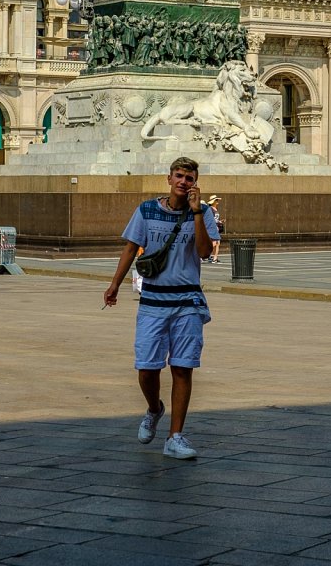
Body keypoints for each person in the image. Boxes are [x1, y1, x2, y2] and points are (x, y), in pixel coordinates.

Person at [103, 157, 219, 459]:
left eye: (189, 178)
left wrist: (195, 212)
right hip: (153, 301)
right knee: (146, 367)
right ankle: (154, 408)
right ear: (169, 179)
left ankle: (175, 436)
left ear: (196, 183)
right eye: (179, 176)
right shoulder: (146, 210)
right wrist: (114, 284)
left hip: (188, 301)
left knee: (183, 367)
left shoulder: (203, 213)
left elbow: (205, 252)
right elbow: (130, 247)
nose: (183, 182)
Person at [204, 195, 224, 264]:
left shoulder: (214, 209)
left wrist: (219, 222)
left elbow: (215, 219)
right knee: (215, 243)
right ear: (213, 201)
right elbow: (210, 219)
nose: (217, 201)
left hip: (215, 227)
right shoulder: (210, 209)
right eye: (216, 200)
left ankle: (214, 257)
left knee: (217, 243)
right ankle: (206, 255)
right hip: (212, 228)